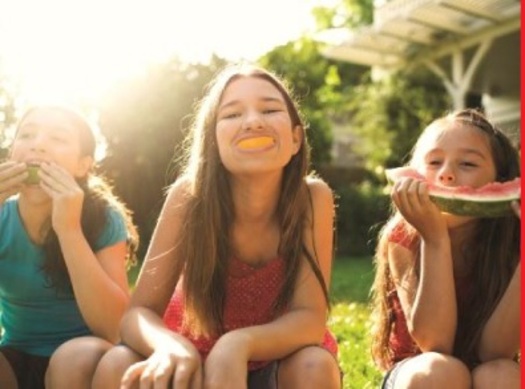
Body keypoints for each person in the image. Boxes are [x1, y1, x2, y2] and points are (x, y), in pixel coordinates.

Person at [92, 64, 341, 389]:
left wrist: (238, 344)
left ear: (295, 139)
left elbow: (309, 320)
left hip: (277, 360)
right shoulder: (189, 196)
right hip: (188, 361)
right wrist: (172, 346)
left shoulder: (312, 198)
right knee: (117, 363)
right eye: (233, 114)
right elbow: (137, 315)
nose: (253, 121)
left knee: (315, 365)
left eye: (269, 109)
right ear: (213, 141)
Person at [370, 108, 520, 389]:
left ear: (500, 181)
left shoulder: (512, 241)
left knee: (501, 374)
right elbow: (435, 342)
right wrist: (434, 240)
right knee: (441, 371)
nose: (447, 174)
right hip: (419, 373)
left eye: (468, 164)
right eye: (434, 162)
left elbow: (497, 351)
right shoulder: (402, 237)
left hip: (488, 371)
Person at [0, 105, 139, 389]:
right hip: (13, 358)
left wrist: (69, 230)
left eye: (58, 138)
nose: (37, 145)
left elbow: (114, 328)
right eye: (26, 135)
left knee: (72, 359)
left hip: (83, 361)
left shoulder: (103, 218)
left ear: (82, 165)